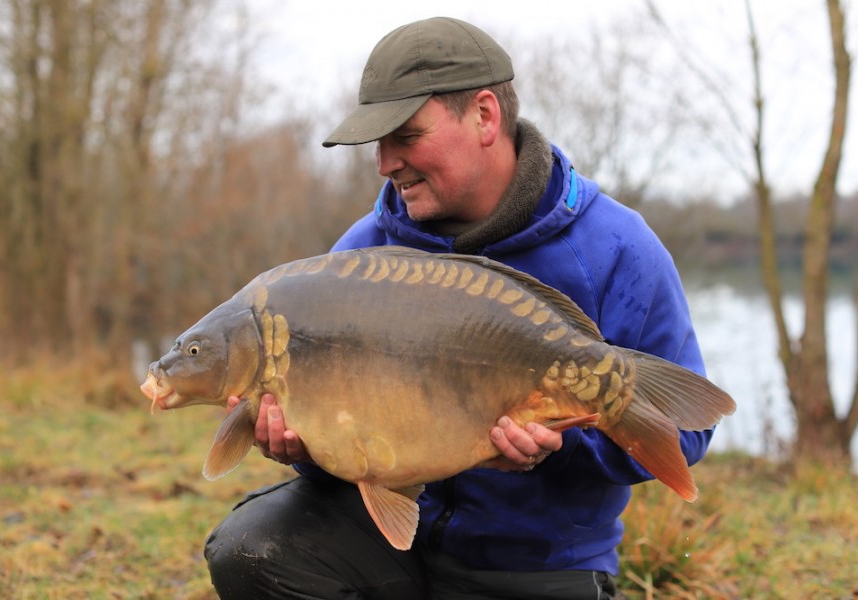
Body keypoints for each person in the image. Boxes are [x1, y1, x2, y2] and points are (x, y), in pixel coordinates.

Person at [204, 16, 714, 600]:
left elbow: (684, 434)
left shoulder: (617, 249)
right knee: (250, 549)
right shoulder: (362, 255)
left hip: (538, 563)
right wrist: (301, 448)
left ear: (485, 116)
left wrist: (559, 446)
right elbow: (348, 445)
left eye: (407, 136)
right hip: (390, 545)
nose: (385, 162)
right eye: (378, 142)